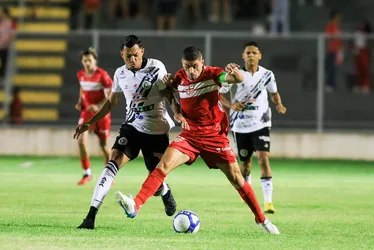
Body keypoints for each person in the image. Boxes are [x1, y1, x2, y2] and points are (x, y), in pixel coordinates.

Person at [115, 46, 280, 234]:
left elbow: (232, 79)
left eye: (194, 66)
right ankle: (134, 205)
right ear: (182, 65)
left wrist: (236, 74)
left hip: (214, 136)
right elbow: (170, 91)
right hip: (190, 135)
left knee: (238, 180)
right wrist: (176, 110)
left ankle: (262, 220)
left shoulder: (213, 74)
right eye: (187, 67)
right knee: (162, 166)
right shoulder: (180, 77)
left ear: (202, 62)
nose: (191, 71)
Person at [74, 35, 177, 229]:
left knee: (154, 181)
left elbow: (168, 93)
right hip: (131, 128)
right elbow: (112, 102)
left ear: (142, 52)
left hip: (156, 130)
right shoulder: (120, 73)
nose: (132, 59)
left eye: (135, 55)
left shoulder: (156, 67)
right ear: (122, 55)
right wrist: (90, 122)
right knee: (112, 163)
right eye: (128, 56)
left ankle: (164, 192)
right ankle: (90, 217)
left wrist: (178, 111)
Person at [219, 41, 287, 214]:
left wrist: (278, 104)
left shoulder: (267, 75)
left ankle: (268, 202)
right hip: (240, 125)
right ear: (243, 56)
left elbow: (274, 93)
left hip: (261, 123)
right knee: (245, 164)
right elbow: (217, 95)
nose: (250, 55)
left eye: (253, 52)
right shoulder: (235, 74)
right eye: (247, 53)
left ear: (259, 56)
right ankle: (247, 193)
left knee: (264, 158)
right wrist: (231, 105)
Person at [75, 47, 112, 186]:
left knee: (103, 146)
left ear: (95, 60)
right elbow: (82, 88)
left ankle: (108, 176)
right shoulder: (80, 75)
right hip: (86, 113)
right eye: (84, 61)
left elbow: (110, 96)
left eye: (89, 60)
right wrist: (80, 100)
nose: (87, 63)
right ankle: (87, 173)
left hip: (102, 114)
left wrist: (98, 106)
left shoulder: (102, 75)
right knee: (81, 141)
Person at [325, 11, 343, 92]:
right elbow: (327, 36)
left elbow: (340, 39)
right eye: (338, 17)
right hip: (331, 50)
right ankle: (329, 84)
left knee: (335, 68)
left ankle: (333, 84)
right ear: (334, 17)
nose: (339, 19)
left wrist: (341, 49)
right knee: (331, 68)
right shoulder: (330, 25)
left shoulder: (338, 26)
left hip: (337, 50)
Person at [353, 19, 371, 94]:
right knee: (357, 69)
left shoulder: (368, 34)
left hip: (364, 51)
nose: (361, 26)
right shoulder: (356, 33)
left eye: (363, 24)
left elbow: (370, 43)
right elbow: (353, 42)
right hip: (357, 51)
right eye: (360, 24)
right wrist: (354, 50)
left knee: (365, 68)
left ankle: (366, 86)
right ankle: (359, 85)